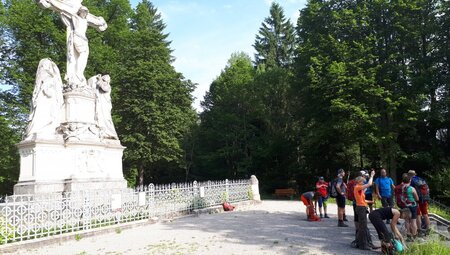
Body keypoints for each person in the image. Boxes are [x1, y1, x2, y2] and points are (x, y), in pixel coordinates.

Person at [37, 0, 107, 87]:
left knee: (84, 57)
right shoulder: (75, 17)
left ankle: (79, 74)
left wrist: (101, 22)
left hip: (84, 39)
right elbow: (62, 7)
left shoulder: (86, 20)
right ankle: (77, 75)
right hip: (77, 37)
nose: (84, 13)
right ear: (80, 12)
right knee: (82, 55)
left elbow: (97, 22)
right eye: (83, 11)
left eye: (85, 12)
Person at [353, 170, 376, 250]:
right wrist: (372, 175)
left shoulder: (360, 189)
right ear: (359, 181)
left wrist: (370, 201)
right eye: (363, 181)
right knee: (363, 227)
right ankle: (363, 245)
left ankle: (364, 243)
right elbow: (369, 184)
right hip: (361, 208)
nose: (364, 182)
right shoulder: (358, 187)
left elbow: (362, 200)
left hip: (362, 207)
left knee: (364, 226)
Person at [408, 170, 430, 235]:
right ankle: (428, 228)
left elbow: (411, 191)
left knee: (418, 215)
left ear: (409, 175)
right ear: (415, 174)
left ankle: (419, 229)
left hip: (417, 200)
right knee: (425, 214)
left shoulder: (411, 181)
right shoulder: (421, 179)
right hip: (424, 199)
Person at [400, 174, 419, 239]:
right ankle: (414, 235)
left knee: (407, 220)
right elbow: (417, 198)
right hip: (413, 205)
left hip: (405, 205)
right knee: (413, 221)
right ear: (410, 180)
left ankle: (408, 234)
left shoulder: (402, 188)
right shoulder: (412, 188)